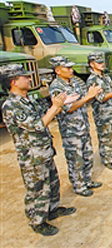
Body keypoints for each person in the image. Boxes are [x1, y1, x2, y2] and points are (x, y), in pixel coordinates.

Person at [1, 64, 76, 236]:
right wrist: (56, 107)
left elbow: (43, 112)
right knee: (37, 189)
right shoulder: (11, 105)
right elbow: (38, 124)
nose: (28, 78)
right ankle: (37, 221)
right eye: (24, 77)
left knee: (52, 182)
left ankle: (52, 209)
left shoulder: (27, 99)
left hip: (43, 151)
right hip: (32, 156)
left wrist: (62, 102)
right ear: (13, 82)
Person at [49, 56, 103, 197]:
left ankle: (87, 179)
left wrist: (87, 96)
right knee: (75, 158)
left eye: (71, 67)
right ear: (58, 70)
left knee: (87, 155)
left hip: (82, 126)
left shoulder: (74, 82)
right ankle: (78, 186)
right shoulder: (56, 87)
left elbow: (82, 98)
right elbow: (69, 108)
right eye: (67, 68)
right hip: (71, 130)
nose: (71, 70)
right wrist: (87, 98)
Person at [87, 52, 112, 170]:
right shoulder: (93, 80)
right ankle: (107, 159)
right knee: (106, 138)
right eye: (98, 63)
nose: (101, 64)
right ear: (92, 65)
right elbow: (101, 98)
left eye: (102, 62)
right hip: (103, 115)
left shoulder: (105, 77)